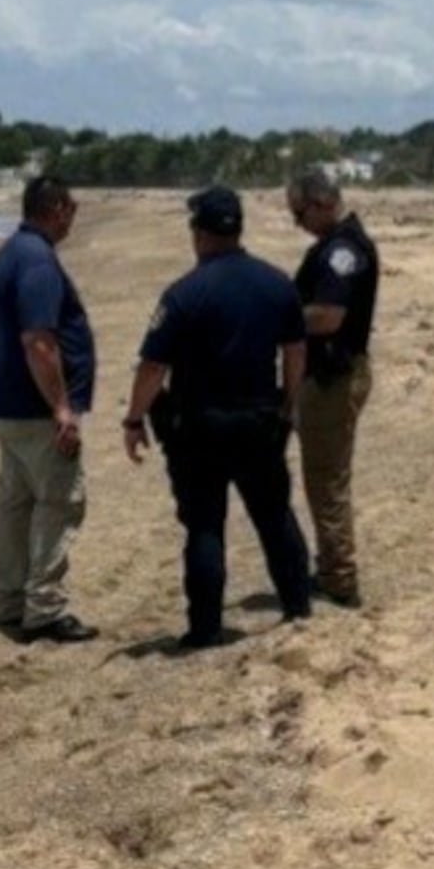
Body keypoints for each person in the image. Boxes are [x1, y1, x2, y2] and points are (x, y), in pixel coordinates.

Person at [121, 187, 314, 653]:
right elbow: (295, 352)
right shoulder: (276, 284)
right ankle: (297, 605)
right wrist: (290, 403)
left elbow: (152, 368)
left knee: (205, 526)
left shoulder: (185, 294)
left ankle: (205, 629)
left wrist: (134, 419)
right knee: (273, 515)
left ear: (200, 234)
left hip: (199, 426)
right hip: (258, 419)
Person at [0, 175, 97, 645]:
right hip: (33, 409)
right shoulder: (37, 262)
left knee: (15, 501)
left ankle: (8, 600)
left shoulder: (10, 252)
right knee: (58, 501)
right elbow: (40, 341)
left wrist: (4, 365)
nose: (74, 217)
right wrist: (62, 407)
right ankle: (44, 607)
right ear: (57, 209)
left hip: (7, 401)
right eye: (72, 208)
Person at [284, 166, 380, 610]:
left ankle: (339, 576)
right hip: (330, 375)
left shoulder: (342, 251)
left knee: (326, 480)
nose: (297, 222)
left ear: (322, 203)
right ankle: (331, 567)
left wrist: (278, 318)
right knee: (324, 477)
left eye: (299, 212)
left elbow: (328, 316)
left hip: (334, 377)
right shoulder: (337, 245)